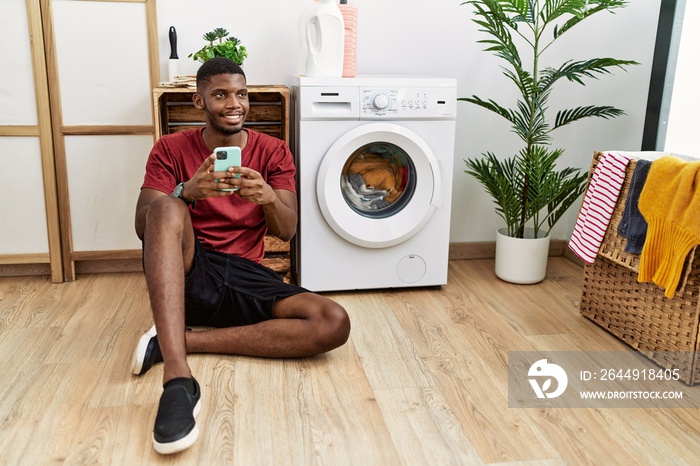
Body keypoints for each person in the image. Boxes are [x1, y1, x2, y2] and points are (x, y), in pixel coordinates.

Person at [132, 57, 350, 455]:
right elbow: (143, 225)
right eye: (221, 95)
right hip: (194, 272)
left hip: (247, 275)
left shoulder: (273, 151)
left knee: (333, 321)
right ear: (199, 103)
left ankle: (172, 342)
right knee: (164, 207)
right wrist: (187, 192)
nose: (234, 103)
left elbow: (287, 229)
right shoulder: (170, 149)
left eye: (241, 94)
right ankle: (179, 381)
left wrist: (268, 199)